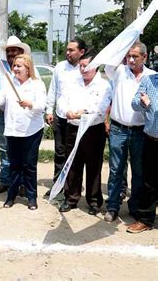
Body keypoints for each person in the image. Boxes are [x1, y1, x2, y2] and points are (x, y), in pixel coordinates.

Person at [103, 41, 154, 222]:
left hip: (142, 131)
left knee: (139, 171)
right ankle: (113, 206)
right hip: (119, 129)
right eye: (128, 56)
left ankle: (135, 207)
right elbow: (109, 60)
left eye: (135, 56)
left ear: (145, 57)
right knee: (116, 169)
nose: (130, 60)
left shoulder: (153, 77)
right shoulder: (119, 72)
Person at [57, 54, 112, 215]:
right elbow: (61, 101)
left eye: (86, 66)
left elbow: (101, 109)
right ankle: (71, 198)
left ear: (95, 67)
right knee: (73, 164)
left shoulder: (104, 85)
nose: (82, 69)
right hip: (73, 128)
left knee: (94, 166)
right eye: (80, 66)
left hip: (93, 130)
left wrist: (83, 113)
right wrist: (66, 111)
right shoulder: (72, 83)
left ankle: (94, 201)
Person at [0, 54, 46, 210]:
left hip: (31, 131)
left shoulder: (37, 84)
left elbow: (42, 104)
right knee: (14, 165)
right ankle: (11, 196)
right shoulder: (9, 83)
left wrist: (30, 104)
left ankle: (31, 197)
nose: (15, 68)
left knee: (29, 165)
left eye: (19, 66)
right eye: (14, 65)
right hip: (12, 130)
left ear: (28, 69)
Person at [0, 35, 32, 196]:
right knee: (4, 148)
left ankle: (21, 182)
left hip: (20, 114)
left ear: (21, 52)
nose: (10, 54)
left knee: (20, 149)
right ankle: (6, 180)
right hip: (2, 113)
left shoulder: (26, 69)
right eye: (8, 51)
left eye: (14, 51)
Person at [45, 38, 86, 197]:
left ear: (81, 52)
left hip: (77, 119)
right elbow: (53, 90)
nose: (68, 53)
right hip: (60, 117)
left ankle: (72, 188)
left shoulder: (85, 68)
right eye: (67, 50)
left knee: (75, 154)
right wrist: (49, 110)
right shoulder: (60, 67)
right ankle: (57, 186)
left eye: (72, 50)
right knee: (60, 153)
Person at [128, 72, 158, 233]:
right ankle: (146, 219)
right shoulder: (149, 80)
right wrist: (144, 104)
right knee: (149, 182)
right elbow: (134, 103)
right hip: (151, 139)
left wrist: (152, 105)